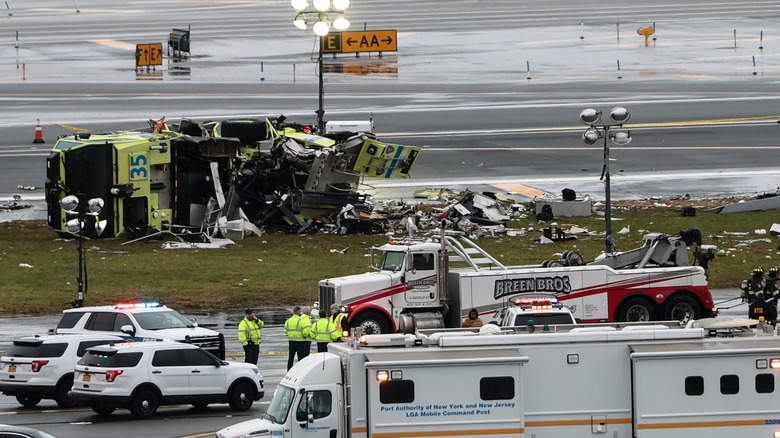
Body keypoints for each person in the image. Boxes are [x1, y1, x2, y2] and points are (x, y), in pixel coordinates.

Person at [284, 306, 313, 370]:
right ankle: (300, 370)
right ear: (299, 312)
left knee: (291, 357)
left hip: (291, 341)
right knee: (300, 358)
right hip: (300, 341)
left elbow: (285, 331)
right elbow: (305, 332)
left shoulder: (288, 321)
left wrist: (291, 335)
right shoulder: (301, 321)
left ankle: (289, 370)